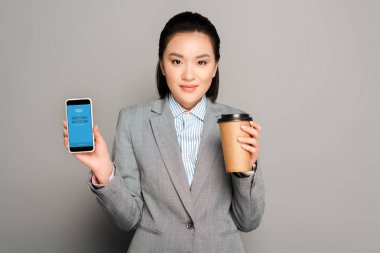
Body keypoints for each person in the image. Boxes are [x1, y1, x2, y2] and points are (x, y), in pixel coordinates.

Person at [63, 11, 264, 253]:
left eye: (201, 62)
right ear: (162, 65)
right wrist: (104, 172)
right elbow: (128, 219)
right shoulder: (132, 120)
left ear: (214, 68)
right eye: (177, 61)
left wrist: (246, 174)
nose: (189, 75)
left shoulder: (235, 122)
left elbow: (249, 221)